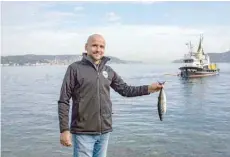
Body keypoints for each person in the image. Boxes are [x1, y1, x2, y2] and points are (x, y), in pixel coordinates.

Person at [58, 34, 164, 157]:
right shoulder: (74, 69)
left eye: (102, 46)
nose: (98, 49)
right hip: (83, 132)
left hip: (104, 132)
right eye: (94, 45)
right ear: (86, 47)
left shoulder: (108, 71)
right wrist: (64, 130)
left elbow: (125, 90)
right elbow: (63, 100)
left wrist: (149, 88)